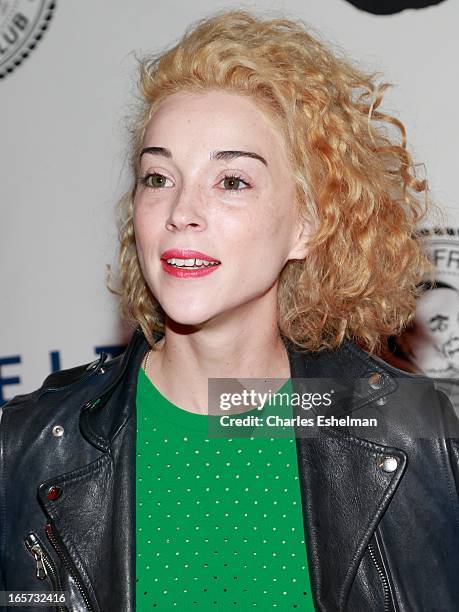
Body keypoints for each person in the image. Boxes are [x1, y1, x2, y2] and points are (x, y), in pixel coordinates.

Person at [1, 9, 458, 612]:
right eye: (158, 177)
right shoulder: (31, 447)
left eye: (232, 181)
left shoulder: (412, 434)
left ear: (307, 226)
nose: (180, 212)